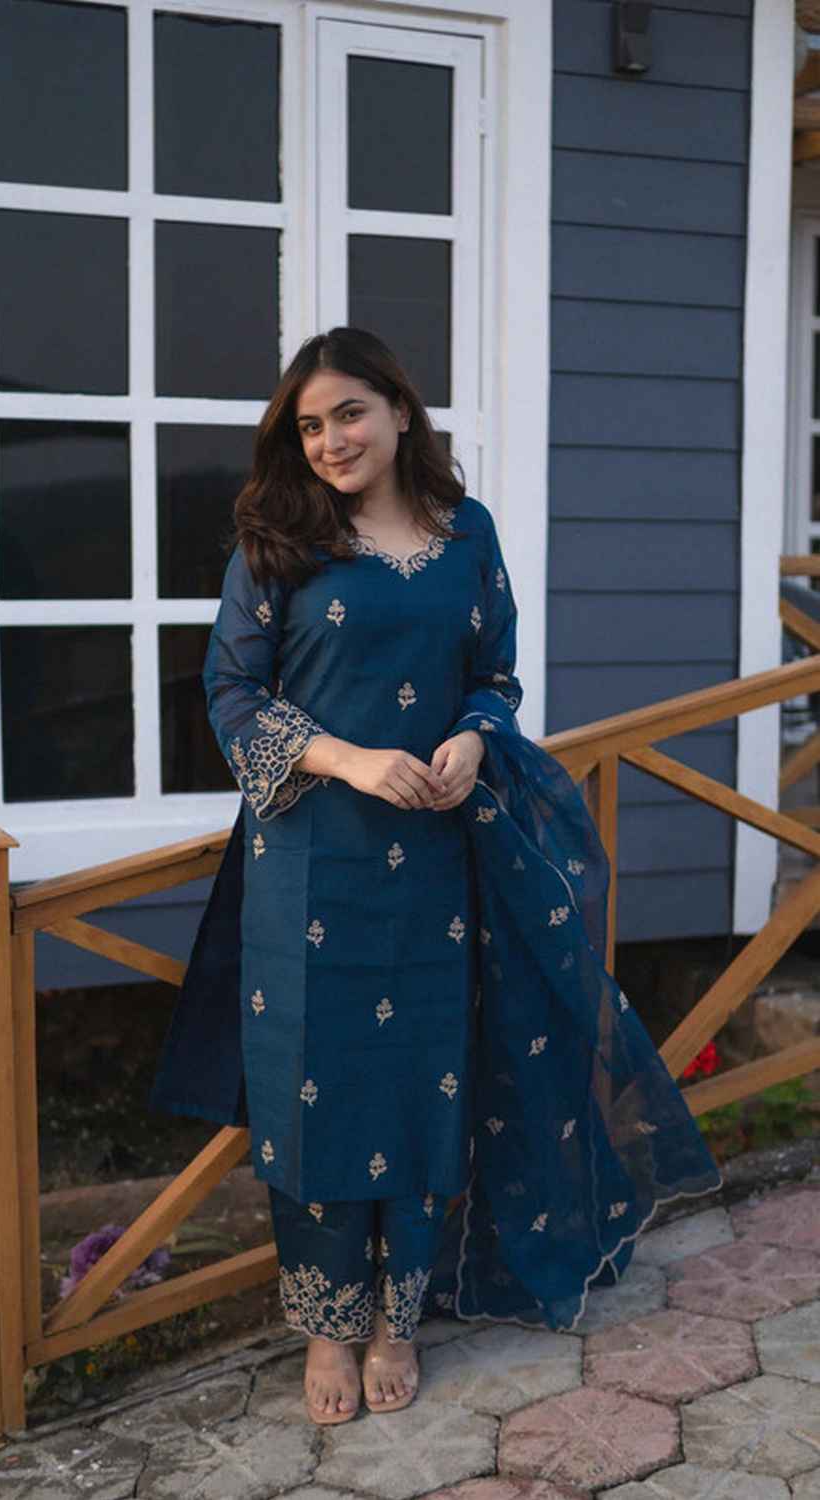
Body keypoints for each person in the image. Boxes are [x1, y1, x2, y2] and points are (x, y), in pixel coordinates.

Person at [150, 326, 722, 1427]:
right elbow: (231, 696)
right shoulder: (278, 540)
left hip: (436, 859)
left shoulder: (468, 534)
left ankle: (397, 1319)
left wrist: (469, 737)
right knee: (317, 1092)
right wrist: (351, 758)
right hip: (309, 862)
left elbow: (495, 673)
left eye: (348, 414)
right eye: (309, 425)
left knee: (425, 1084)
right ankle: (329, 1324)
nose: (330, 441)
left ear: (400, 411)